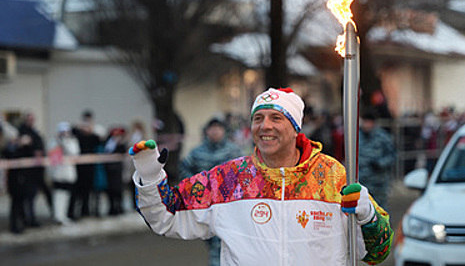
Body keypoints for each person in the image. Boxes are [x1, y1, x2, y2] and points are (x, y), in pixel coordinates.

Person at [130, 87, 393, 265]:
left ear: (295, 128)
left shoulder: (332, 176)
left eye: (276, 118)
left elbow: (377, 252)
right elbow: (166, 216)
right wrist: (150, 175)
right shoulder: (229, 179)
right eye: (258, 118)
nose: (265, 126)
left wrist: (368, 215)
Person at [178, 117, 244, 266]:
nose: (215, 132)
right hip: (206, 206)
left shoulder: (233, 151)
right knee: (211, 240)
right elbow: (184, 169)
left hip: (229, 205)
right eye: (212, 128)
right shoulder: (197, 152)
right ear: (207, 131)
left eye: (218, 128)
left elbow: (244, 173)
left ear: (224, 131)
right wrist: (197, 187)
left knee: (222, 244)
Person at [358, 108, 397, 210]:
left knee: (380, 211)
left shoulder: (383, 137)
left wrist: (380, 163)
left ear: (373, 123)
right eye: (364, 121)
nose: (366, 124)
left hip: (378, 183)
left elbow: (393, 155)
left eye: (368, 122)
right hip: (361, 182)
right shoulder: (356, 137)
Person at [47, 122, 80, 224]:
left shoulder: (72, 141)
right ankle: (58, 216)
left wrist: (64, 143)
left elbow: (74, 153)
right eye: (62, 132)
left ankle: (64, 215)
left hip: (69, 174)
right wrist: (58, 143)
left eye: (66, 132)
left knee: (66, 196)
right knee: (58, 196)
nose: (64, 134)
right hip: (58, 174)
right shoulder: (53, 142)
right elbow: (51, 154)